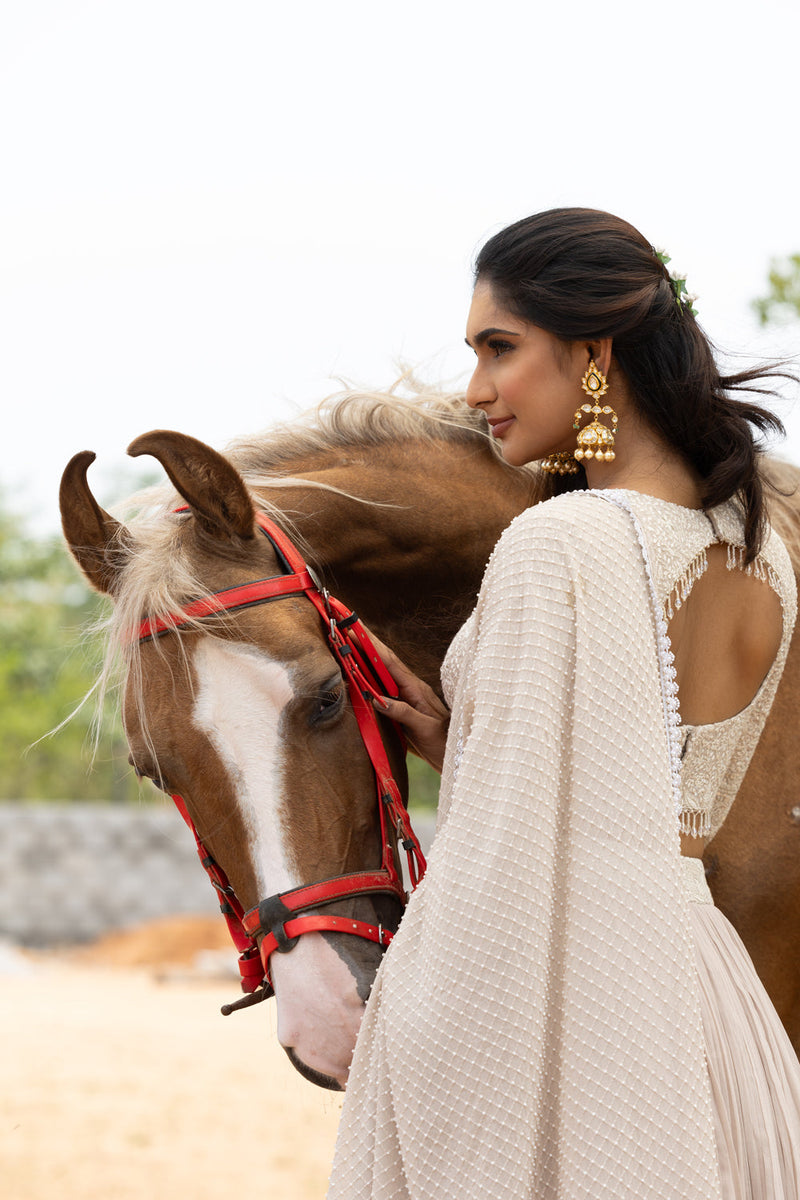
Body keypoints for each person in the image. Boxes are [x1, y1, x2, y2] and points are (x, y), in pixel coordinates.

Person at [326, 208, 800, 1199]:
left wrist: (399, 1025)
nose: (475, 390)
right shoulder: (760, 554)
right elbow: (645, 792)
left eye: (498, 348)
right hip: (708, 1012)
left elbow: (500, 875)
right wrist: (471, 743)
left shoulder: (564, 541)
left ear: (592, 351)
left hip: (582, 1014)